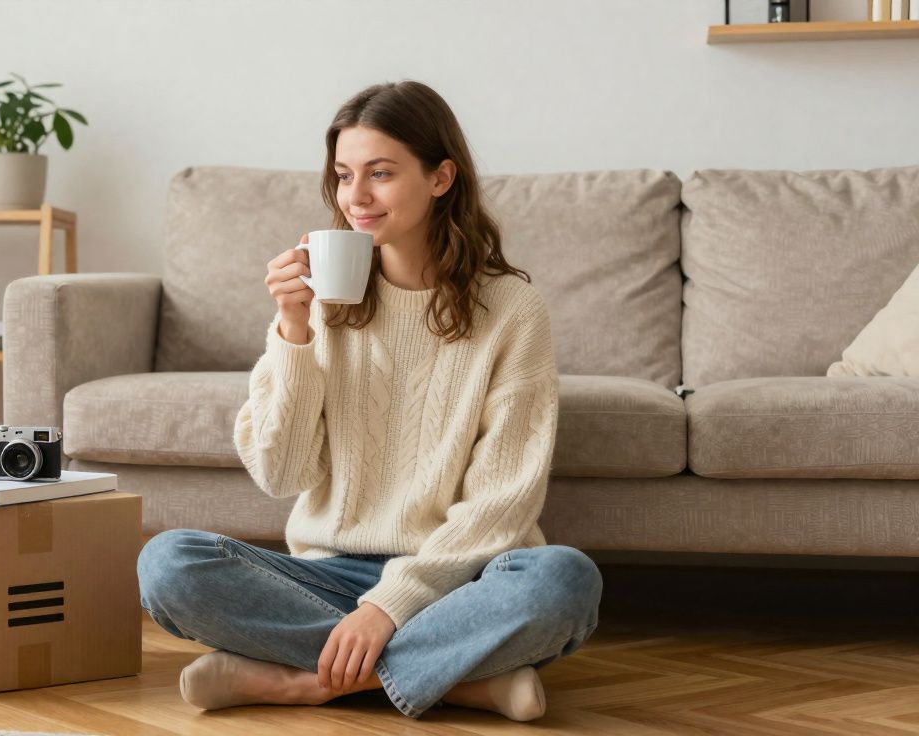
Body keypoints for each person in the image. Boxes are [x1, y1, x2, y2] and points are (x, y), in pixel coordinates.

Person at [137, 80, 602, 722]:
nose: (354, 197)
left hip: (457, 577)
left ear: (441, 178)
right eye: (343, 175)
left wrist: (391, 607)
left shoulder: (512, 310)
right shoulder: (324, 296)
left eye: (380, 174)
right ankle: (461, 681)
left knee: (563, 580)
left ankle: (304, 681)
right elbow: (282, 474)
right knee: (168, 562)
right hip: (332, 573)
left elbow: (503, 502)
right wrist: (294, 331)